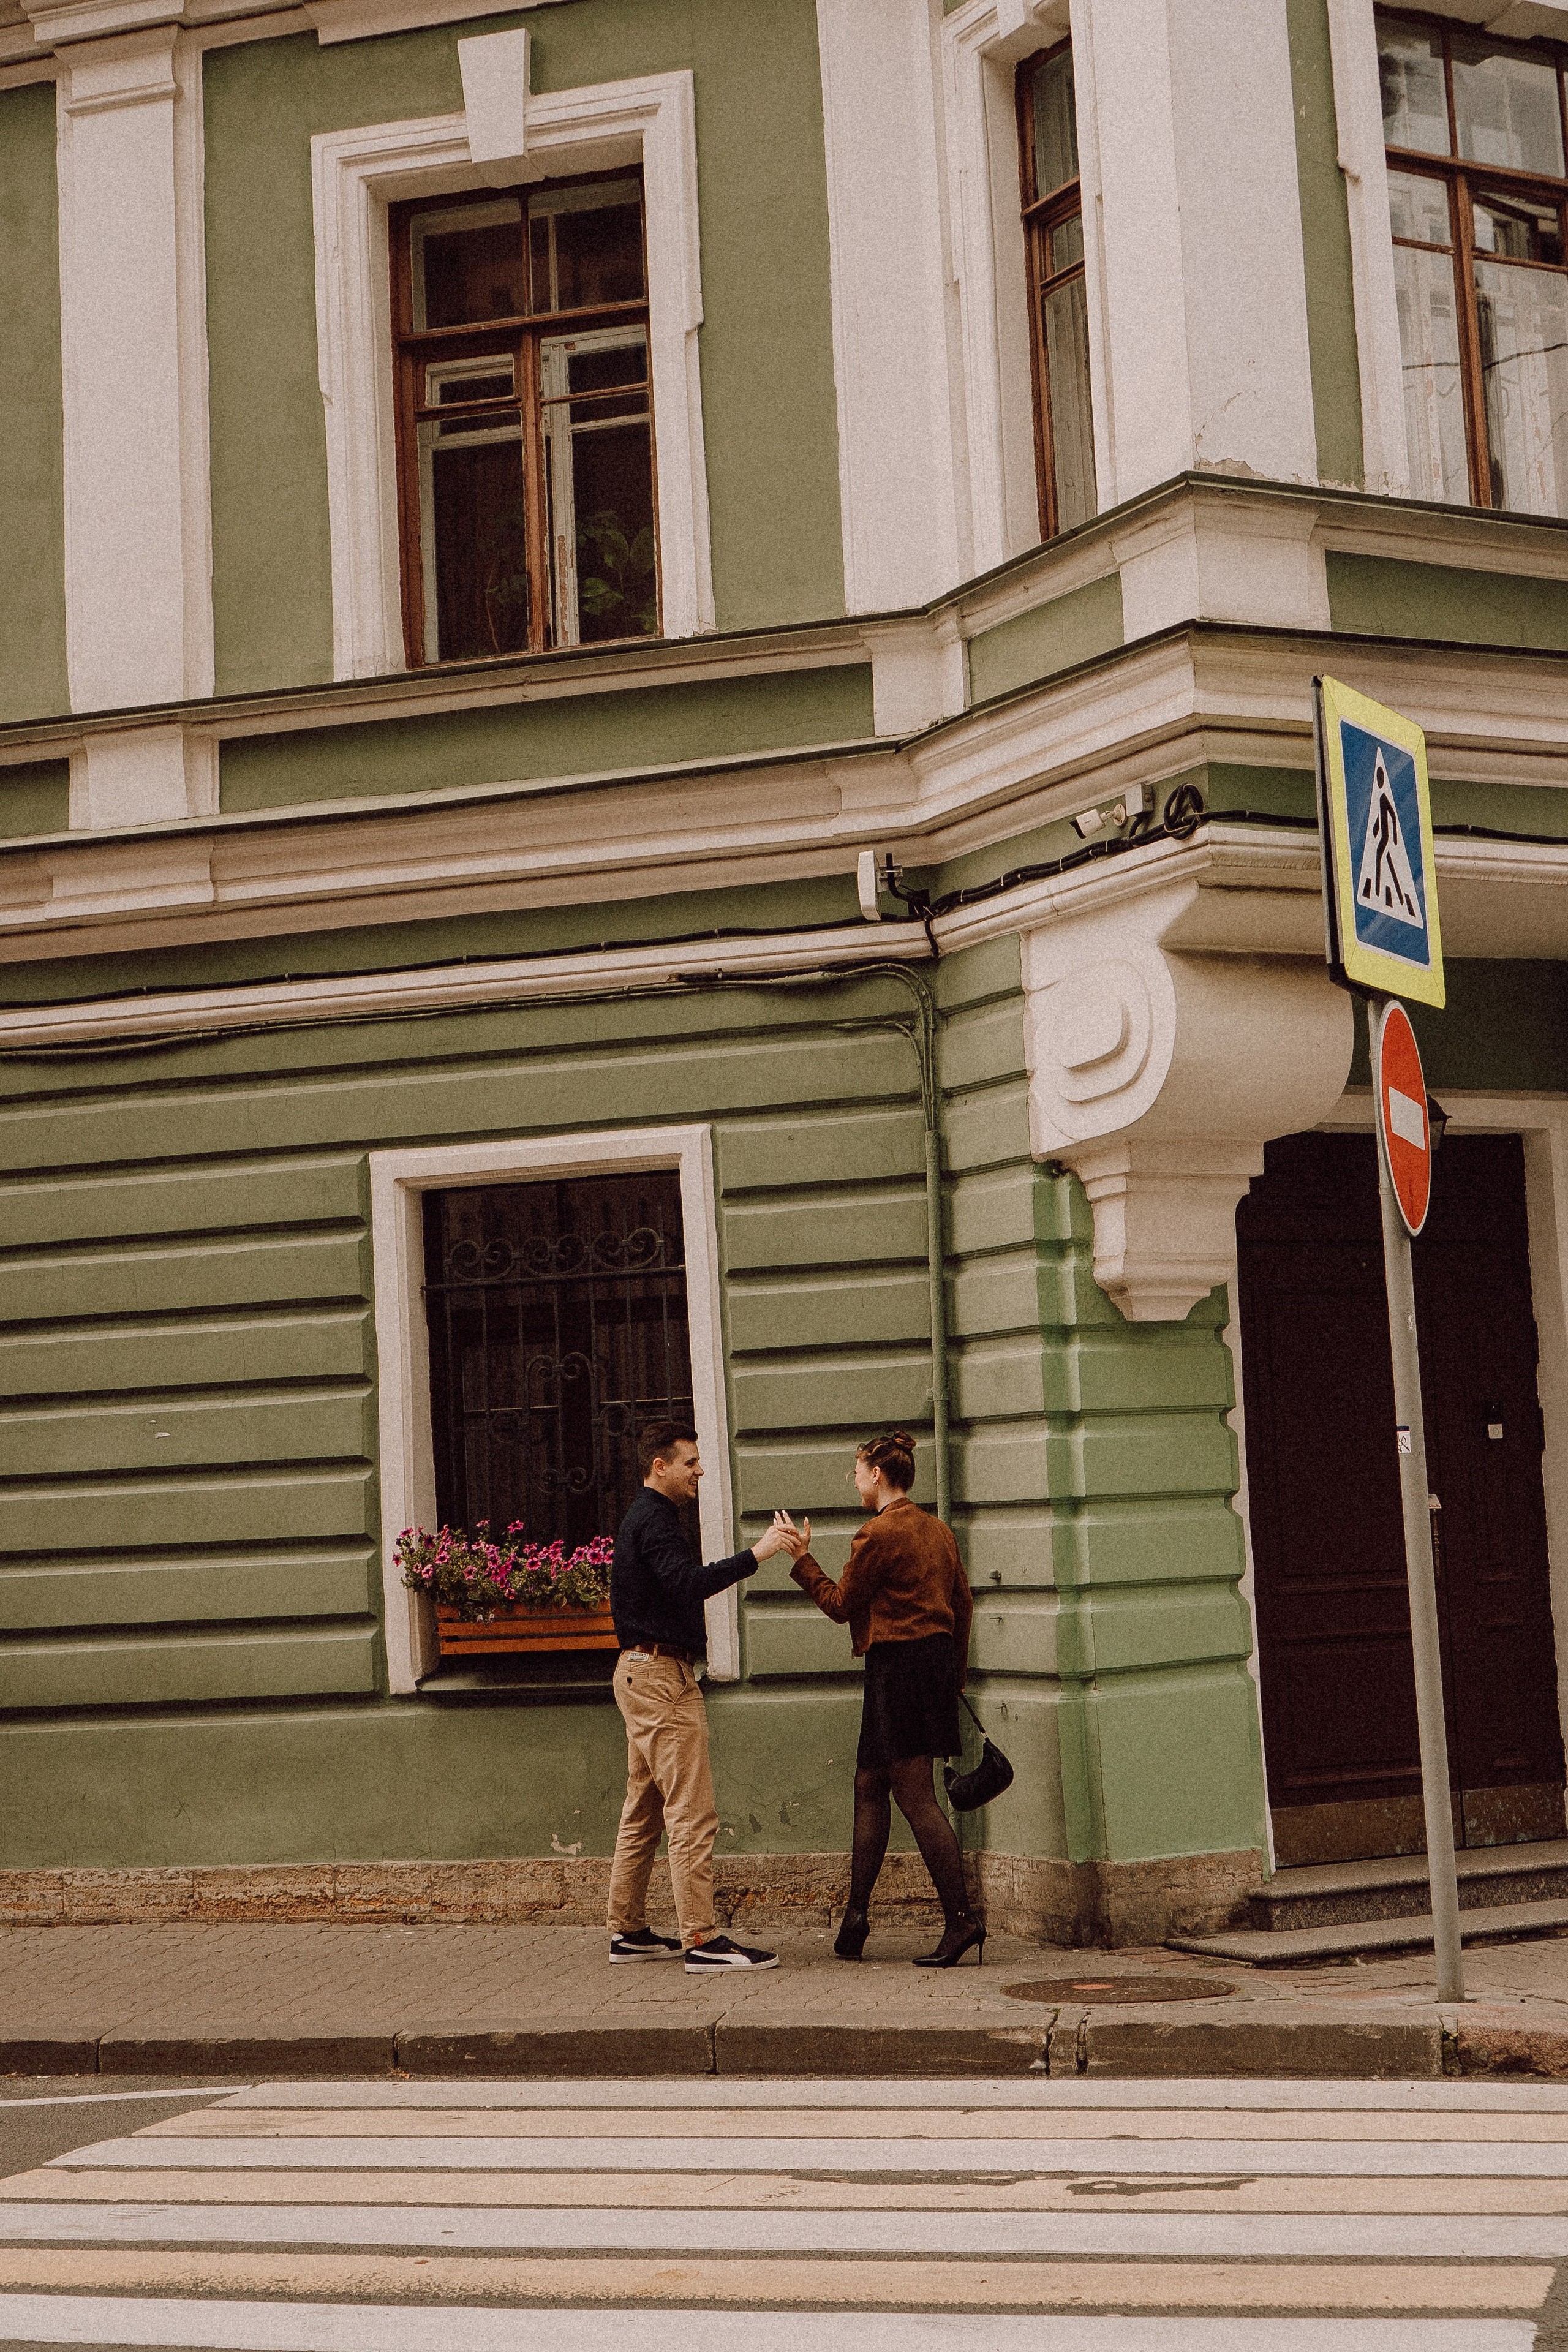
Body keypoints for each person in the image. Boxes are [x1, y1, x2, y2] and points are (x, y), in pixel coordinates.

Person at [774, 1431, 981, 1967]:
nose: (856, 1479)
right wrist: (953, 1679)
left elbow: (842, 1605)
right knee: (870, 1783)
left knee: (915, 1797)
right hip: (928, 1667)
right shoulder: (938, 1530)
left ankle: (962, 1921)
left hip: (900, 1669)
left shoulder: (877, 1534)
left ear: (877, 1475)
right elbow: (963, 1605)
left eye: (858, 1470)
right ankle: (856, 1918)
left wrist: (802, 1558)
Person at [608, 1419, 791, 1973]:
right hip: (661, 1678)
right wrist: (757, 1554)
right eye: (690, 1463)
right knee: (691, 1812)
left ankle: (628, 1930)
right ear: (659, 1466)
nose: (700, 1472)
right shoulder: (656, 1521)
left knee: (644, 1810)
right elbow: (689, 1584)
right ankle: (703, 1941)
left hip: (643, 1672)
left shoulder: (646, 1517)